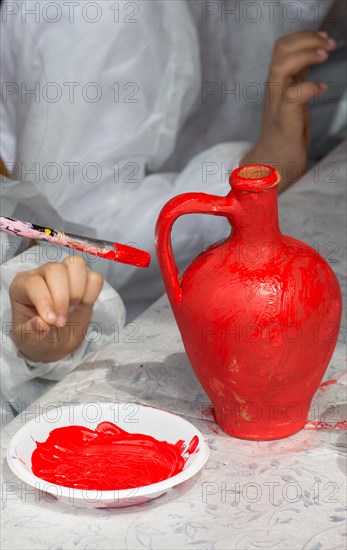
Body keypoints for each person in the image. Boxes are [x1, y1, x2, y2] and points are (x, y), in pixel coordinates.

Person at [0, 0, 345, 420]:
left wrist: (273, 153)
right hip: (124, 334)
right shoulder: (95, 16)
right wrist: (253, 165)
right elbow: (81, 237)